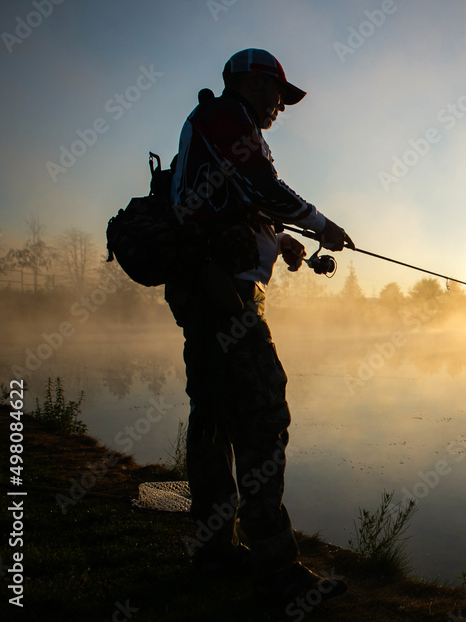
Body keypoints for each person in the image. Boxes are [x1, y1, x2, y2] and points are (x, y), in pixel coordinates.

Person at [164, 48, 350, 607]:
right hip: (224, 298)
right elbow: (264, 187)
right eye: (278, 93)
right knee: (264, 414)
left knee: (215, 418)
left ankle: (216, 551)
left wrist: (282, 240)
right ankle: (278, 574)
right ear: (248, 81)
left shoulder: (225, 126)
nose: (282, 107)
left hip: (210, 291)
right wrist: (321, 224)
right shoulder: (226, 119)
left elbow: (241, 200)